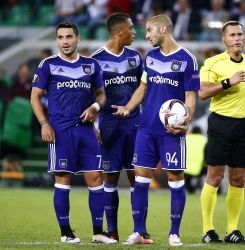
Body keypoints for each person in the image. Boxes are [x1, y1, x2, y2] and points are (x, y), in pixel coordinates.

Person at [112, 14, 200, 246]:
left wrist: (187, 121)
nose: (146, 35)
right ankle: (138, 232)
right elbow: (143, 88)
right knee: (140, 180)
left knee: (175, 179)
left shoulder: (187, 59)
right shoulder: (149, 57)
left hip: (171, 132)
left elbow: (190, 97)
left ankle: (174, 233)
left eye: (149, 30)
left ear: (163, 29)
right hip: (146, 129)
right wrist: (128, 108)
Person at [30, 21, 118, 244]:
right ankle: (66, 232)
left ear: (77, 39)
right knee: (63, 179)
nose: (64, 42)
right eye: (60, 38)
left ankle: (98, 232)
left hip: (86, 130)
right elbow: (34, 96)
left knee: (96, 178)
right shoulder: (48, 64)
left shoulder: (91, 65)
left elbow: (101, 95)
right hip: (60, 130)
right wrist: (44, 123)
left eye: (69, 37)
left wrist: (95, 108)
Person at [199, 20, 245, 243]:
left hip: (243, 126)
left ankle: (232, 231)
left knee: (238, 179)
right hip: (220, 123)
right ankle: (207, 230)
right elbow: (203, 93)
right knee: (215, 177)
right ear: (224, 40)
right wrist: (228, 82)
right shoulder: (212, 63)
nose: (237, 38)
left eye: (240, 34)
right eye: (233, 35)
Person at [89, 13, 152, 243]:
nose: (135, 32)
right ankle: (112, 230)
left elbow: (142, 90)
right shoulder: (95, 61)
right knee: (111, 179)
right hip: (108, 126)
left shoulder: (136, 57)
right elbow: (91, 97)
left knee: (139, 178)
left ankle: (140, 230)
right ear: (118, 32)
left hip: (136, 125)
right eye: (131, 28)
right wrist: (93, 126)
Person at [184, 126, 207, 194]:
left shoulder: (186, 138)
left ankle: (188, 188)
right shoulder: (204, 139)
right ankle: (198, 187)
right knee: (201, 174)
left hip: (186, 163)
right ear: (200, 132)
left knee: (187, 176)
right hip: (199, 163)